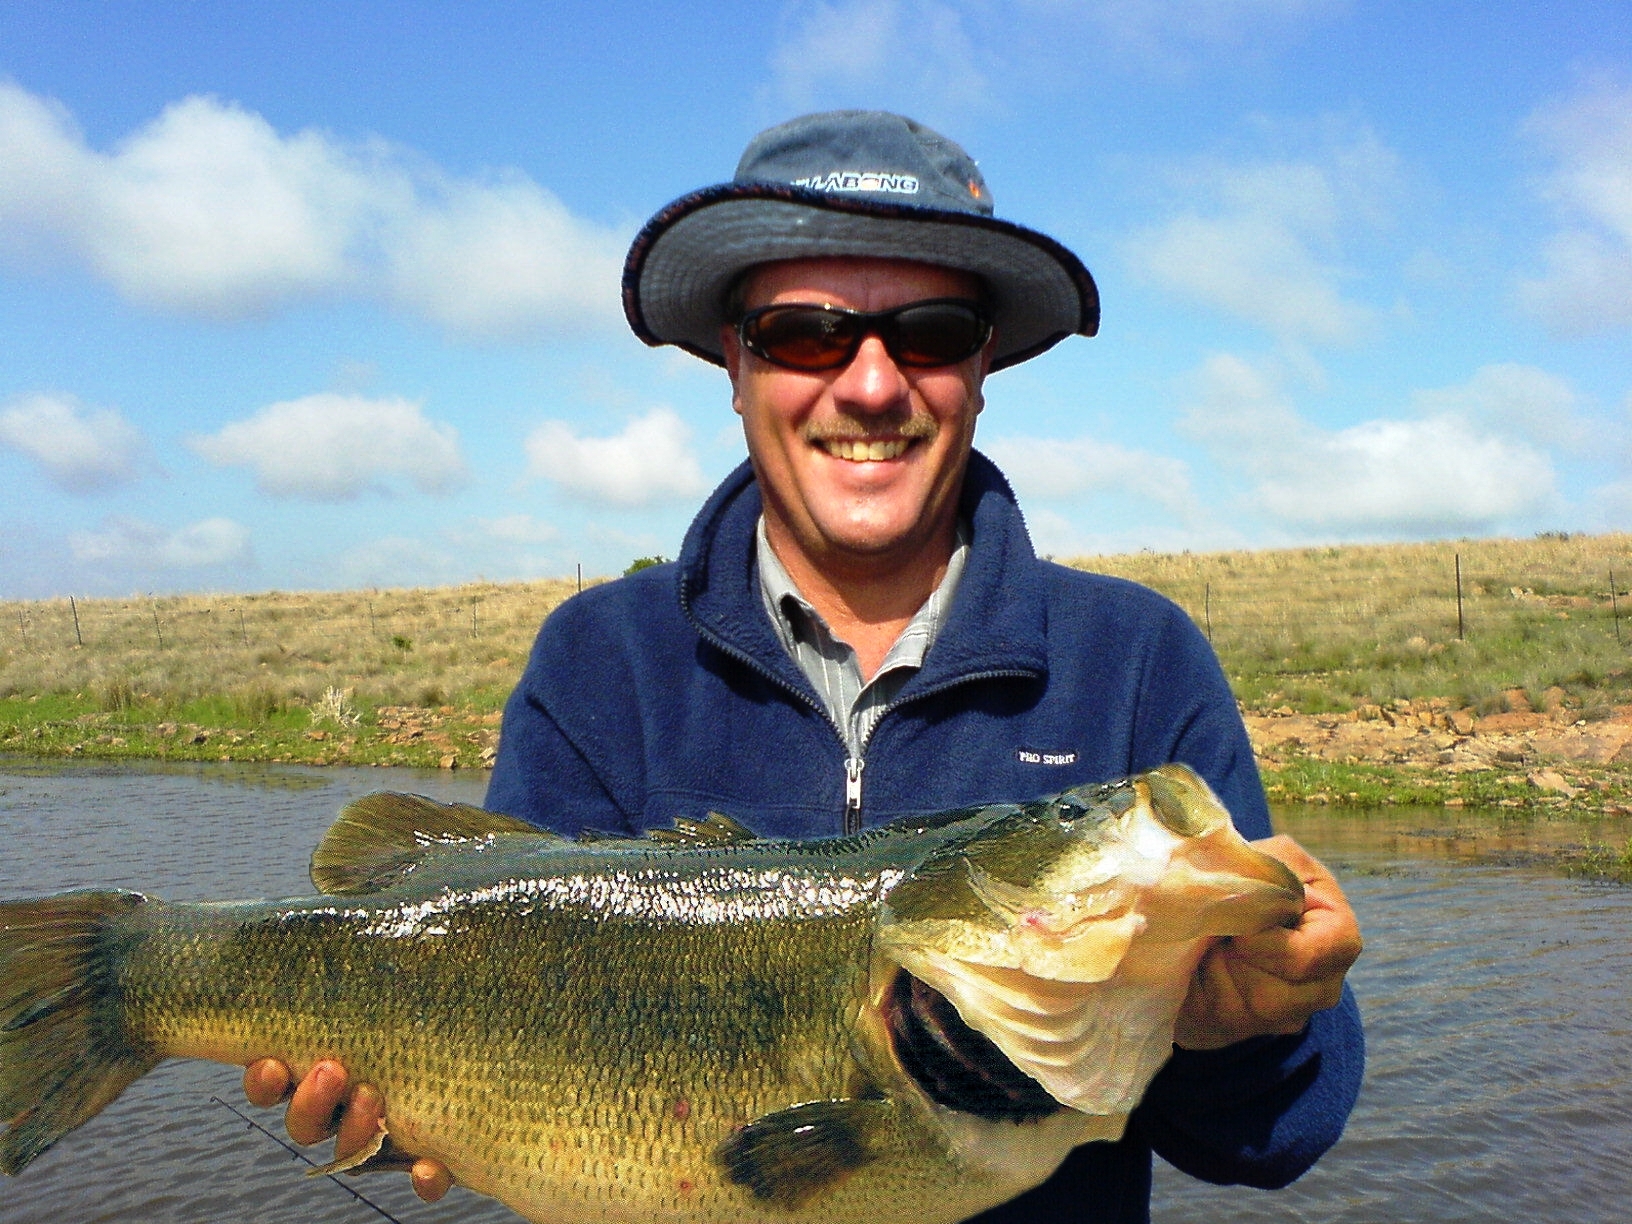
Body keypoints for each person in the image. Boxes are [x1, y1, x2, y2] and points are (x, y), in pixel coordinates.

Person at [245, 110, 1364, 1221]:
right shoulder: (597, 663)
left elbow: (1277, 1143)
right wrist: (407, 1121)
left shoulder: (1137, 660)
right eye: (807, 334)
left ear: (981, 367)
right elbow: (500, 1037)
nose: (872, 385)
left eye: (927, 332)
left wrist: (1248, 1026)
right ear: (736, 363)